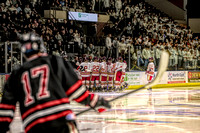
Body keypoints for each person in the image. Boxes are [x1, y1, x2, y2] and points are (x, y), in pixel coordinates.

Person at [0, 32, 111, 133]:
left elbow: (5, 111)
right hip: (60, 120)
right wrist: (96, 101)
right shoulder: (54, 61)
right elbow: (76, 92)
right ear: (40, 46)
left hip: (33, 125)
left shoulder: (16, 74)